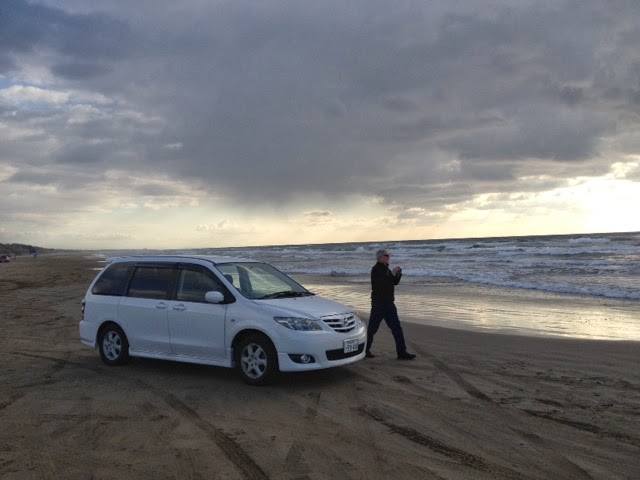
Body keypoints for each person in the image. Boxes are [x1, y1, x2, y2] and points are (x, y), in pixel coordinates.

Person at [365, 249, 416, 360]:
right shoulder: (376, 269)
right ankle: (365, 350)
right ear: (380, 258)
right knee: (372, 329)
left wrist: (398, 274)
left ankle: (402, 352)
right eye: (386, 256)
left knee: (396, 328)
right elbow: (381, 283)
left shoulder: (386, 269)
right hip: (379, 303)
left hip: (389, 303)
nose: (388, 257)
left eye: (388, 256)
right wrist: (392, 273)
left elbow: (394, 282)